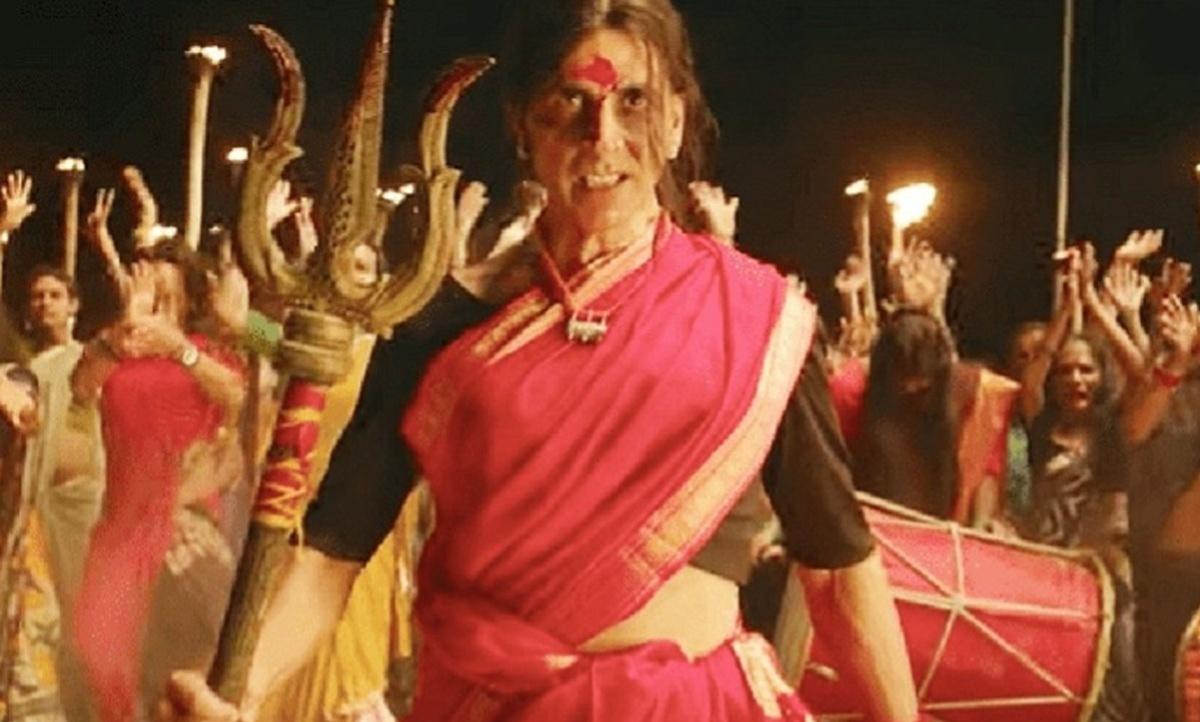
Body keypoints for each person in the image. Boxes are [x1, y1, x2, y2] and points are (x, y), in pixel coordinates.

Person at [163, 2, 919, 720]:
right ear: (523, 125)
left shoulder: (753, 319)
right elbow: (331, 559)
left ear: (675, 121)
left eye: (634, 102)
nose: (602, 137)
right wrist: (242, 688)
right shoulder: (439, 325)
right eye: (570, 103)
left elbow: (838, 570)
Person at [71, 239, 245, 722]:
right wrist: (126, 326)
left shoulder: (210, 353)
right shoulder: (116, 348)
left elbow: (235, 395)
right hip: (120, 529)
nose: (158, 306)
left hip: (184, 527)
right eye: (152, 293)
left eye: (169, 295)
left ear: (191, 299)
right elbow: (82, 387)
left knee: (183, 661)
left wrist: (178, 348)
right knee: (98, 649)